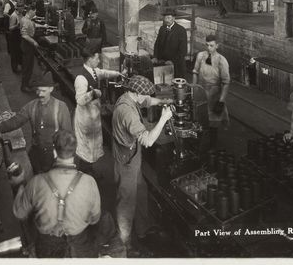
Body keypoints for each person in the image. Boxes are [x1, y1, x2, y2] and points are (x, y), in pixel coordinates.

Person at [12, 129, 101, 258]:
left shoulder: (37, 182)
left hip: (47, 249)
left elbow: (19, 213)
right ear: (75, 152)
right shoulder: (89, 182)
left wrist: (19, 185)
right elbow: (94, 219)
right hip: (80, 248)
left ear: (54, 152)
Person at [112, 75, 173, 256]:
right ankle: (125, 245)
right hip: (126, 162)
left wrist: (163, 101)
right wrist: (164, 118)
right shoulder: (127, 112)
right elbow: (147, 141)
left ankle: (142, 230)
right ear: (135, 93)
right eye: (142, 95)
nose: (145, 98)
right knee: (126, 202)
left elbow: (147, 100)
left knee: (141, 190)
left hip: (132, 156)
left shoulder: (128, 96)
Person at [0, 73, 73, 174]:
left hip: (54, 154)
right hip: (36, 152)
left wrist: (65, 159)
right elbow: (16, 121)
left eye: (43, 91)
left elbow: (67, 136)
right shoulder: (31, 106)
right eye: (38, 90)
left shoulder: (61, 107)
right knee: (36, 174)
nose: (40, 94)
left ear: (51, 89)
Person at [74, 47, 123, 177]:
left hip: (92, 115)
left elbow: (103, 73)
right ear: (90, 59)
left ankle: (88, 170)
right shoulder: (81, 78)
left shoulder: (93, 71)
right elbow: (79, 100)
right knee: (86, 148)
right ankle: (84, 174)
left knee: (91, 147)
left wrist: (118, 73)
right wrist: (93, 94)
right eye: (97, 58)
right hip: (85, 118)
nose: (99, 60)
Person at [192, 34, 230, 146]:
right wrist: (194, 88)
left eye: (212, 45)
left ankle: (212, 146)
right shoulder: (200, 56)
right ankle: (197, 144)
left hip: (214, 93)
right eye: (207, 45)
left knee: (213, 122)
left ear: (217, 46)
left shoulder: (222, 61)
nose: (209, 48)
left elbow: (226, 82)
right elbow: (195, 72)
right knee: (199, 119)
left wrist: (221, 101)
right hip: (200, 90)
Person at [153, 9, 188, 78]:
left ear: (174, 18)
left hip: (176, 64)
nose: (166, 20)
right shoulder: (162, 28)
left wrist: (172, 61)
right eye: (165, 18)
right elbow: (157, 44)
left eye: (169, 18)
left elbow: (183, 51)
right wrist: (155, 57)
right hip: (163, 62)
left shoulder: (181, 30)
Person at [20, 4, 39, 93]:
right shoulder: (27, 21)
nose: (35, 13)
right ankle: (24, 86)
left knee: (29, 65)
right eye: (34, 11)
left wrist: (43, 26)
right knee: (27, 66)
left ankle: (26, 83)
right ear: (30, 11)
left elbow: (32, 25)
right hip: (27, 45)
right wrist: (33, 42)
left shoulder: (25, 19)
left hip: (26, 44)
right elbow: (24, 34)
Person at [8, 3, 24, 73]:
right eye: (22, 8)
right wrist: (17, 26)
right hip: (14, 36)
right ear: (18, 8)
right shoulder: (14, 16)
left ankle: (21, 65)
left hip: (19, 35)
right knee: (14, 53)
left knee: (19, 51)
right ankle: (14, 68)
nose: (23, 9)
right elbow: (10, 28)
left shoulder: (20, 14)